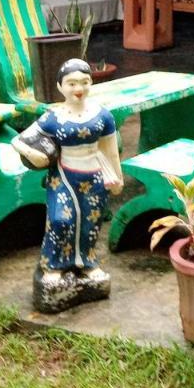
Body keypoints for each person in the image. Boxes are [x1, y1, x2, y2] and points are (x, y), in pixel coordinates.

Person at [13, 58, 123, 313]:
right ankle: (53, 265)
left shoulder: (102, 116)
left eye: (84, 82)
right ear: (60, 87)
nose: (78, 88)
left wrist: (116, 176)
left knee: (91, 222)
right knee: (61, 220)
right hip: (64, 176)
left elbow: (110, 150)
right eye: (72, 83)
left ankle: (87, 262)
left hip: (94, 176)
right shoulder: (53, 117)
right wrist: (36, 155)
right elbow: (20, 139)